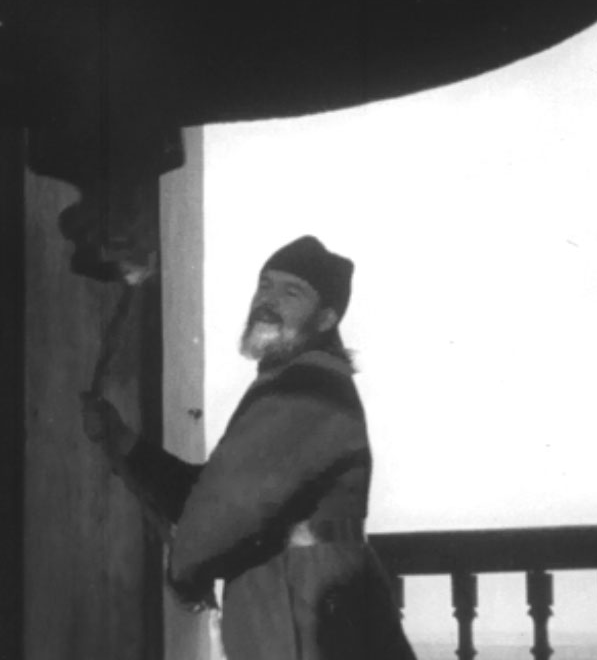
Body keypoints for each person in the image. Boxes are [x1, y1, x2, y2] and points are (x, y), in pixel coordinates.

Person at [82, 235, 416, 660]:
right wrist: (124, 442)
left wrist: (186, 571)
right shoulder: (293, 382)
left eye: (291, 292)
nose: (268, 300)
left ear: (325, 318)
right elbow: (214, 492)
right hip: (306, 599)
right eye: (265, 285)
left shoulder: (307, 387)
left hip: (305, 608)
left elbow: (227, 508)